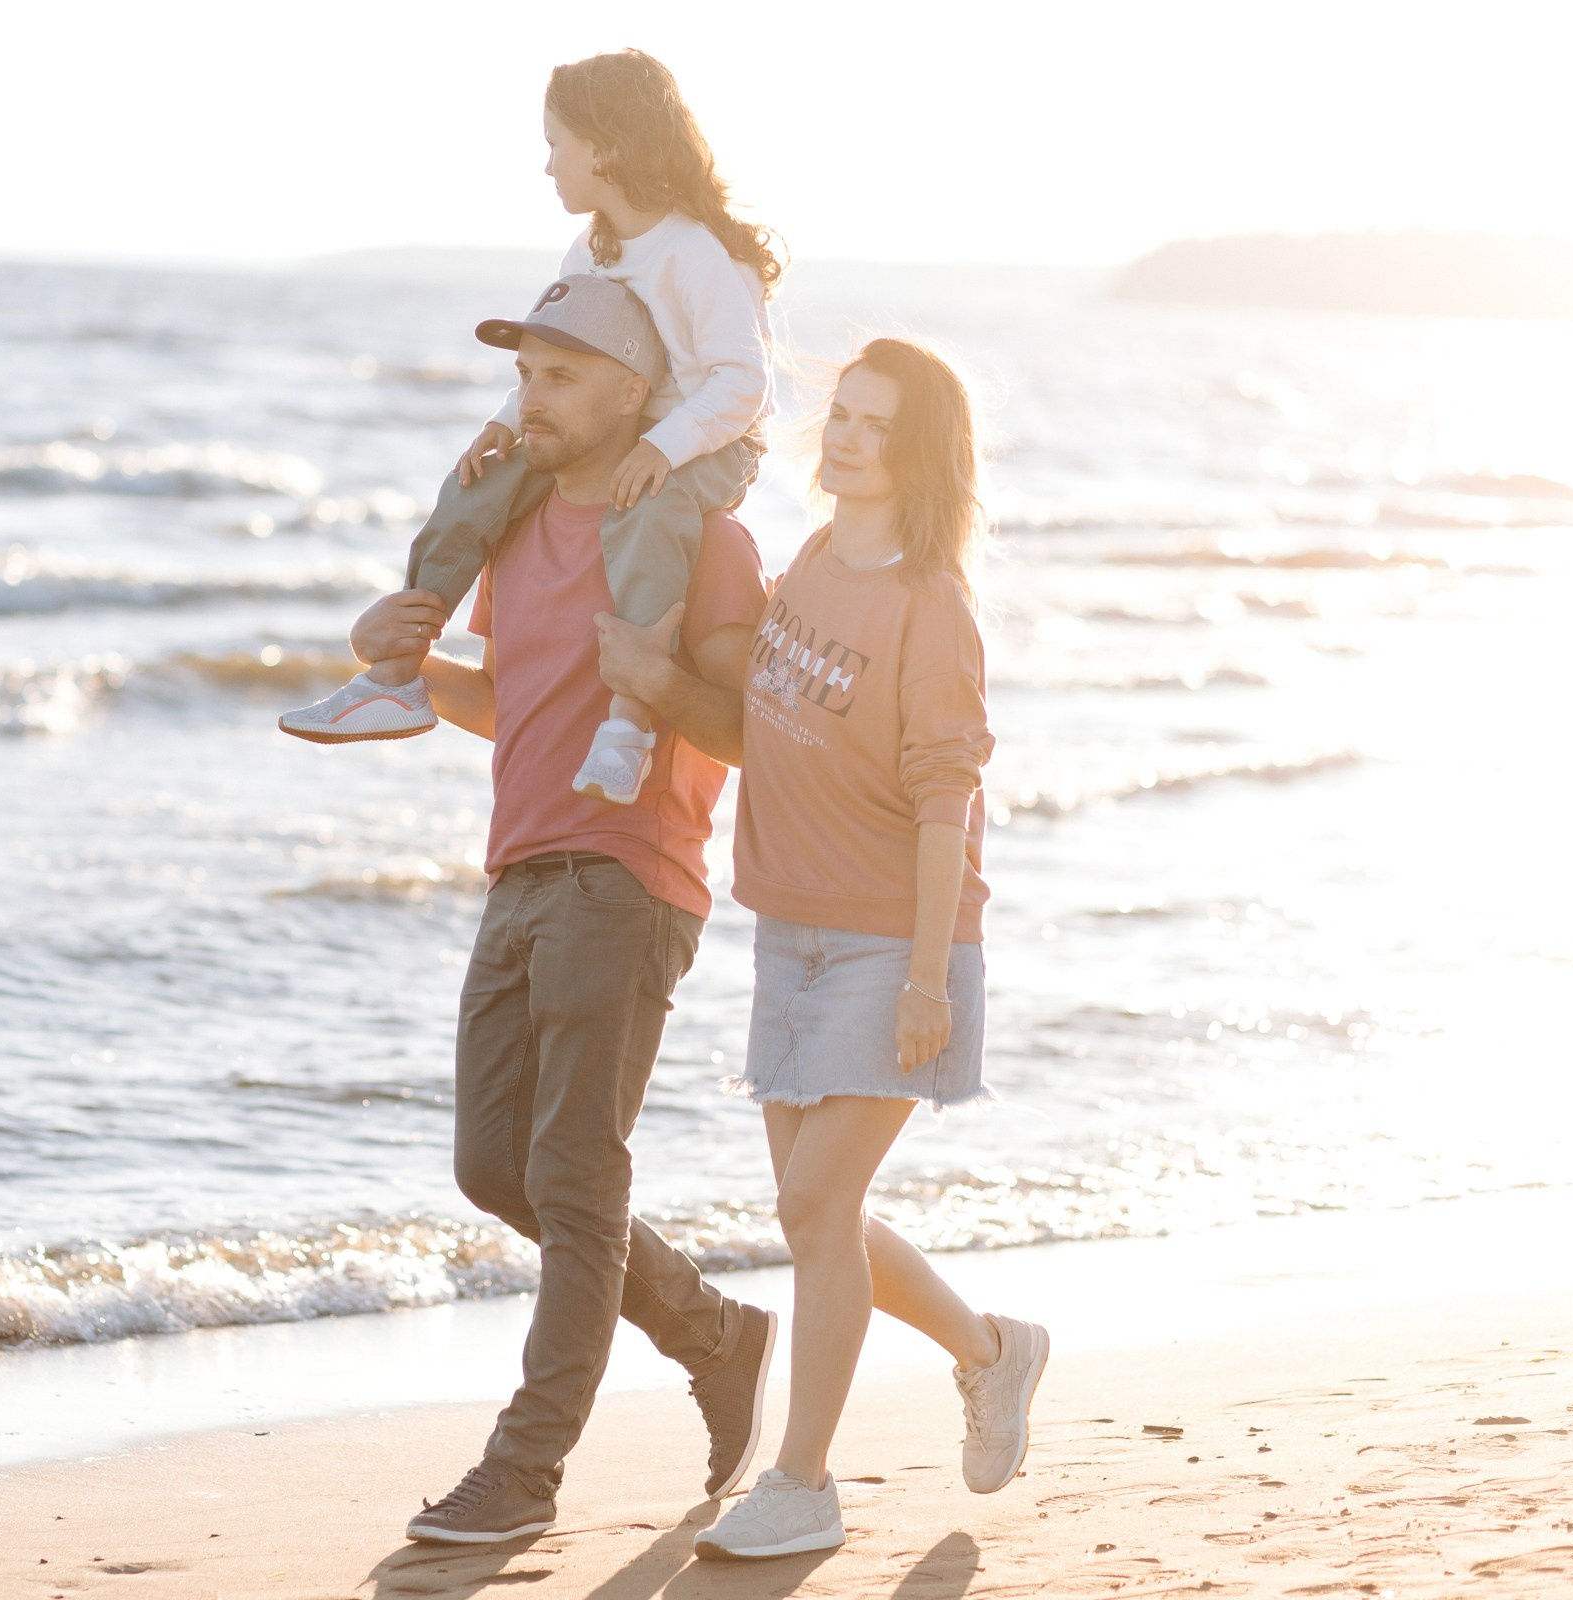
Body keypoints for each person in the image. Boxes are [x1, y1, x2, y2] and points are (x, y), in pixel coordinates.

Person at [593, 338, 1050, 1562]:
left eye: (875, 424)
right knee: (820, 1217)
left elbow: (948, 798)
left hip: (890, 947)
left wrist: (921, 979)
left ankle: (803, 1482)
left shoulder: (931, 607)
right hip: (786, 934)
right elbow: (769, 733)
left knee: (812, 1200)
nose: (844, 435)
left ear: (918, 455)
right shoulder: (806, 562)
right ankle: (994, 1352)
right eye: (840, 413)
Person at [345, 279, 779, 1545]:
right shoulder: (520, 520)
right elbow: (517, 695)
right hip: (520, 867)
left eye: (561, 377)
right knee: (499, 1166)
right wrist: (403, 660)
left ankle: (523, 1472)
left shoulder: (702, 536)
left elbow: (747, 729)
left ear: (635, 397)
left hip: (631, 870)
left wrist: (656, 684)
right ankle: (718, 1333)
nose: (529, 398)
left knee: (575, 1175)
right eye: (524, 373)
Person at [281, 48, 777, 808]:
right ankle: (396, 676)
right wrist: (503, 423)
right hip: (624, 425)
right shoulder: (595, 246)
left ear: (605, 149)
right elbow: (564, 354)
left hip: (711, 435)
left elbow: (744, 382)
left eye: (556, 145)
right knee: (477, 487)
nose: (548, 167)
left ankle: (628, 723)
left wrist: (661, 446)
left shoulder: (691, 253)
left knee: (652, 508)